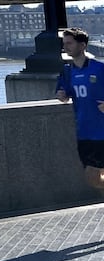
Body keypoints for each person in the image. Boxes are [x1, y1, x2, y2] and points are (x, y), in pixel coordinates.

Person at [55, 27, 104, 192]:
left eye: (70, 43)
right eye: (64, 43)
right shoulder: (67, 71)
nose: (65, 47)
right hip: (83, 132)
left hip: (101, 131)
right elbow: (63, 93)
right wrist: (61, 95)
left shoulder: (99, 68)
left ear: (82, 45)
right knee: (93, 179)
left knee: (93, 174)